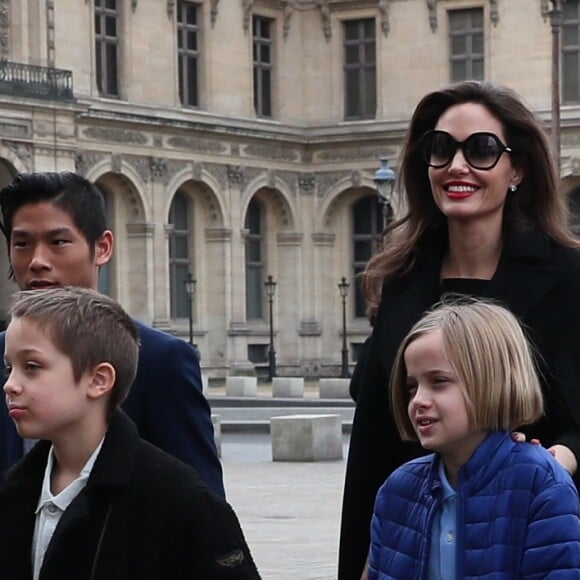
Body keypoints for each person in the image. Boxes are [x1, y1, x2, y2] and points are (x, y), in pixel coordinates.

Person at [339, 80, 580, 579]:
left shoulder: (569, 277)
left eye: (482, 149)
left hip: (523, 533)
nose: (457, 165)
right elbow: (373, 434)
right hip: (409, 536)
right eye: (440, 148)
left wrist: (564, 456)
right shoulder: (399, 278)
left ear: (517, 169)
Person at [0, 287, 260, 579]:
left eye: (31, 367)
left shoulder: (178, 500)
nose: (10, 384)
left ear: (99, 380)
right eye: (9, 368)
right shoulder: (15, 491)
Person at [0, 171, 225, 497]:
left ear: (102, 248)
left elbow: (205, 511)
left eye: (57, 242)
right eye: (22, 244)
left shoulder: (160, 361)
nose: (37, 261)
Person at [366, 299, 580, 578]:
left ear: (490, 381)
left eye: (438, 381)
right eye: (411, 386)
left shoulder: (540, 485)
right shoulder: (398, 489)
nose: (418, 400)